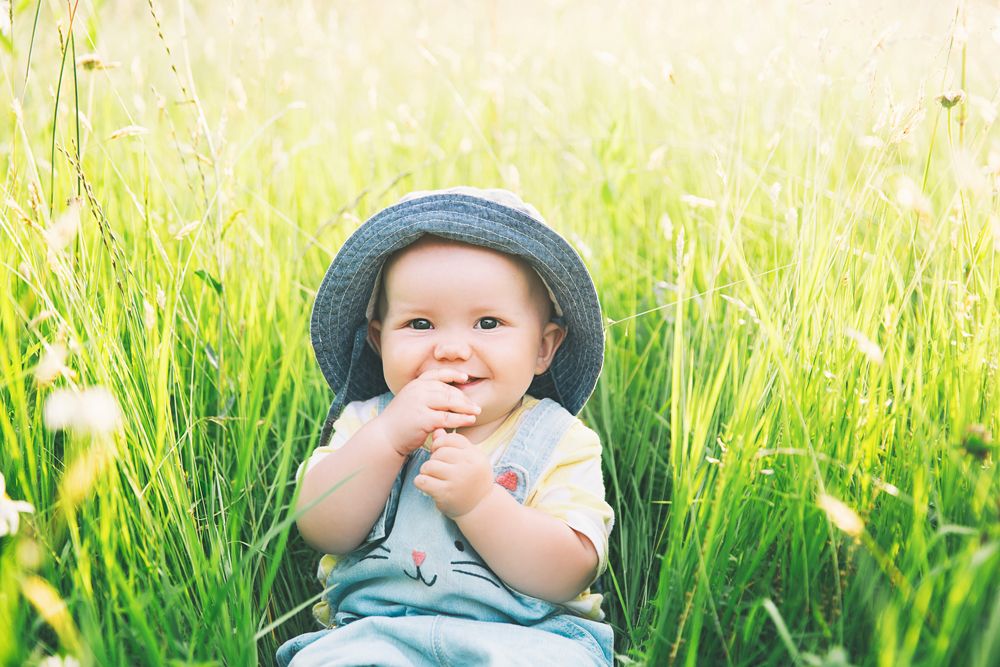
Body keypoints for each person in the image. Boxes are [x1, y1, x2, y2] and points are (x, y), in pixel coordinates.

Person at [277, 187, 614, 666]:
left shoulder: (560, 440)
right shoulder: (368, 422)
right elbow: (320, 527)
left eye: (488, 323)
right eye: (420, 324)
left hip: (527, 639)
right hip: (377, 633)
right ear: (378, 340)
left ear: (544, 347)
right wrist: (389, 440)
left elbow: (569, 573)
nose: (452, 349)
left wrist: (481, 503)